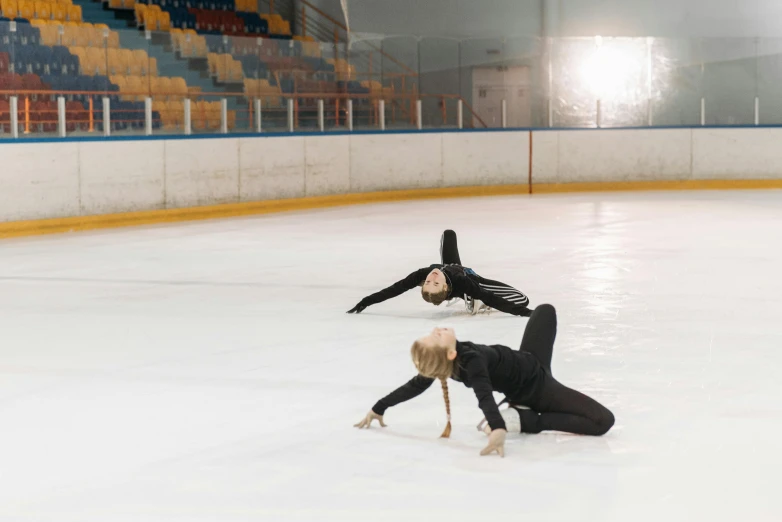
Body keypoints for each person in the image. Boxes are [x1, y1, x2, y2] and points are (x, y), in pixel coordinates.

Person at [353, 305, 615, 457]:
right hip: (536, 387)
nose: (436, 330)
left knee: (545, 311)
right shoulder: (473, 362)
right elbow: (484, 396)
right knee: (603, 421)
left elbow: (414, 385)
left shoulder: (444, 364)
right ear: (451, 353)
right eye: (435, 338)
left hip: (531, 359)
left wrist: (379, 407)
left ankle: (520, 413)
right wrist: (498, 427)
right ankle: (526, 419)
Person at [347, 230, 532, 317]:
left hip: (453, 266)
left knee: (448, 234)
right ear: (445, 286)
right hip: (473, 281)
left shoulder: (422, 273)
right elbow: (492, 298)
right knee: (522, 300)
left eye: (428, 282)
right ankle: (473, 299)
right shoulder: (462, 283)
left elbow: (394, 289)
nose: (431, 278)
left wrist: (366, 301)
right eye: (435, 283)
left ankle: (473, 297)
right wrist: (527, 313)